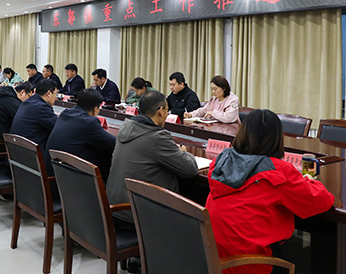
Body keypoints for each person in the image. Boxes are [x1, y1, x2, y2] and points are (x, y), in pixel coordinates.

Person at [207, 109, 334, 274]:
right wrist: (310, 180)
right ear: (277, 139)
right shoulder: (277, 170)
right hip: (250, 265)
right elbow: (321, 201)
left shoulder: (223, 160)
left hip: (213, 259)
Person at [107, 91, 199, 226]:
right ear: (160, 111)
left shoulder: (126, 127)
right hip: (138, 216)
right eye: (167, 110)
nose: (167, 114)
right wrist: (185, 152)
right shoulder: (157, 137)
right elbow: (191, 169)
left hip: (115, 209)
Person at [44, 89, 116, 181]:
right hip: (70, 181)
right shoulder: (89, 122)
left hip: (54, 175)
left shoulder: (65, 113)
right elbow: (114, 143)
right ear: (95, 110)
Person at [9, 79, 58, 146]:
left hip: (17, 148)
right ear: (48, 93)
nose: (56, 98)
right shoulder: (42, 107)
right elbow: (58, 127)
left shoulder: (27, 102)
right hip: (31, 150)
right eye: (55, 94)